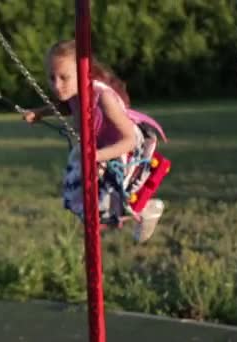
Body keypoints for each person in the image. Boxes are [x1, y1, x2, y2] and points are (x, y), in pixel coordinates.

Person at [23, 39, 167, 243]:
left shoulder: (103, 98)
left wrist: (96, 157)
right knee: (79, 192)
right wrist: (40, 113)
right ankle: (118, 214)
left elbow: (129, 141)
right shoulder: (74, 92)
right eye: (51, 77)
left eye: (64, 77)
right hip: (97, 148)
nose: (57, 85)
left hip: (123, 149)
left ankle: (146, 210)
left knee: (107, 197)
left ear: (83, 71)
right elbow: (66, 107)